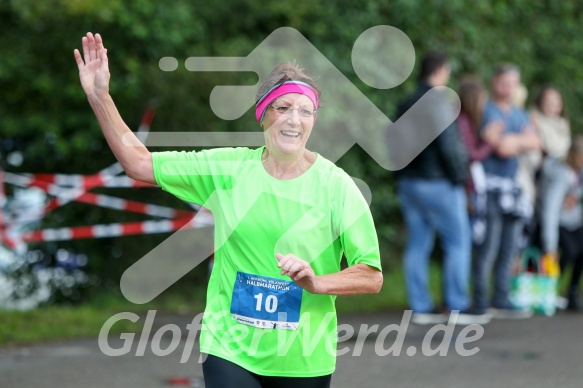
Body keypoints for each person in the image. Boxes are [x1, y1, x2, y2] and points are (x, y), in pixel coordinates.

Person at [74, 32, 383, 387]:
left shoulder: (336, 186)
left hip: (304, 358)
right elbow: (138, 163)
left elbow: (371, 275)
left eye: (305, 110)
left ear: (314, 119)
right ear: (263, 115)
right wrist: (99, 96)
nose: (294, 119)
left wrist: (317, 283)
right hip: (229, 348)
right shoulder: (229, 169)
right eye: (283, 107)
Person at [395, 52, 486, 325]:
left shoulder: (406, 102)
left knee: (418, 243)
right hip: (438, 183)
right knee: (458, 242)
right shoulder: (439, 102)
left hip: (409, 182)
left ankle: (421, 308)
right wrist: (460, 179)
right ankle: (457, 305)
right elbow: (450, 145)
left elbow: (393, 142)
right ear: (441, 71)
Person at [472, 64, 541, 319]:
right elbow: (500, 148)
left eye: (513, 83)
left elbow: (536, 142)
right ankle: (480, 299)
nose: (508, 88)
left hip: (512, 189)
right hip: (489, 187)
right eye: (504, 83)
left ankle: (501, 297)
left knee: (509, 246)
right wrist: (517, 141)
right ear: (494, 82)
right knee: (488, 245)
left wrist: (513, 141)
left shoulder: (519, 112)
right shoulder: (486, 110)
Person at [538, 136, 583, 311]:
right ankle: (551, 290)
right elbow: (551, 210)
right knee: (571, 250)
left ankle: (572, 291)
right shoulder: (560, 175)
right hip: (556, 221)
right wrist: (550, 246)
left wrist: (576, 195)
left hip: (572, 219)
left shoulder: (578, 170)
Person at [457, 77, 503, 245]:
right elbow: (470, 155)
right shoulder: (462, 121)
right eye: (481, 101)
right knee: (463, 239)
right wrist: (490, 141)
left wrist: (484, 138)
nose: (483, 106)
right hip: (465, 186)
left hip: (467, 185)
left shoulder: (464, 121)